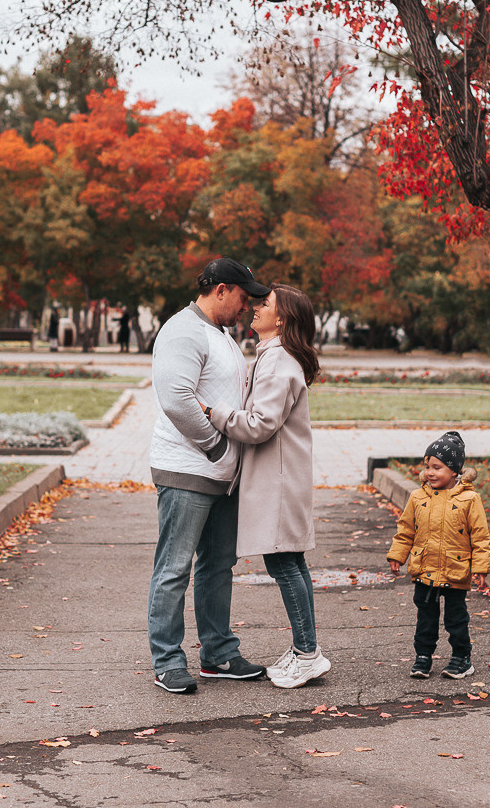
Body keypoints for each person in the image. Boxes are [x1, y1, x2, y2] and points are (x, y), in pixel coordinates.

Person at [148, 257, 271, 694]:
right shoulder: (183, 330)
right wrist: (217, 447)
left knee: (218, 566)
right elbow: (176, 398)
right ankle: (167, 661)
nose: (247, 306)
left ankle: (218, 655)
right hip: (187, 470)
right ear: (220, 289)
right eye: (242, 296)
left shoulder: (219, 334)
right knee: (175, 567)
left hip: (222, 475)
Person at [201, 283, 331, 689]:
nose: (256, 308)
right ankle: (306, 650)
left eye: (266, 305)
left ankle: (307, 653)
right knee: (291, 562)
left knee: (283, 563)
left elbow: (258, 425)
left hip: (277, 481)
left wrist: (212, 411)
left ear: (282, 319)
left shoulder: (277, 362)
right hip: (282, 476)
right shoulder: (277, 357)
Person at [387, 431, 490, 680]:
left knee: (456, 620)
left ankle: (461, 658)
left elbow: (480, 536)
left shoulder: (469, 499)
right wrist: (397, 555)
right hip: (425, 569)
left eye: (437, 467)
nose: (430, 472)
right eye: (427, 467)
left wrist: (480, 568)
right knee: (426, 619)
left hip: (456, 570)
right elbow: (406, 530)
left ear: (455, 471)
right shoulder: (418, 497)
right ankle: (423, 656)